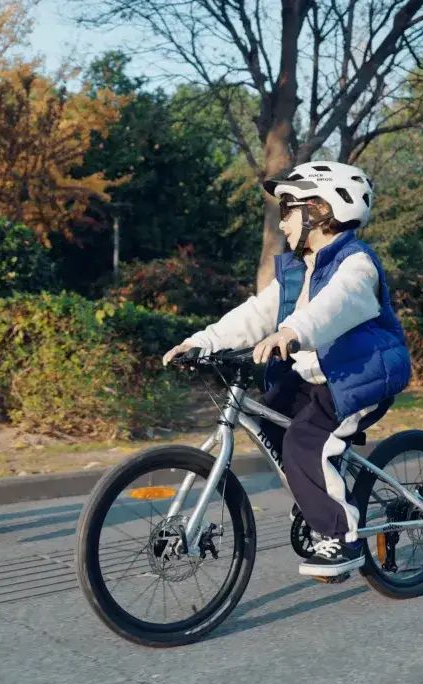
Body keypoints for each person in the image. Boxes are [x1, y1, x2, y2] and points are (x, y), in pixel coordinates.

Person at [163, 161, 410, 577]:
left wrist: (293, 332)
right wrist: (201, 342)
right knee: (274, 414)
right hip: (317, 374)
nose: (282, 224)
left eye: (288, 210)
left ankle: (341, 539)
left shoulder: (356, 264)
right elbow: (256, 314)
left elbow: (336, 305)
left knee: (305, 441)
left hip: (360, 375)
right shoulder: (297, 272)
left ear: (319, 208)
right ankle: (319, 494)